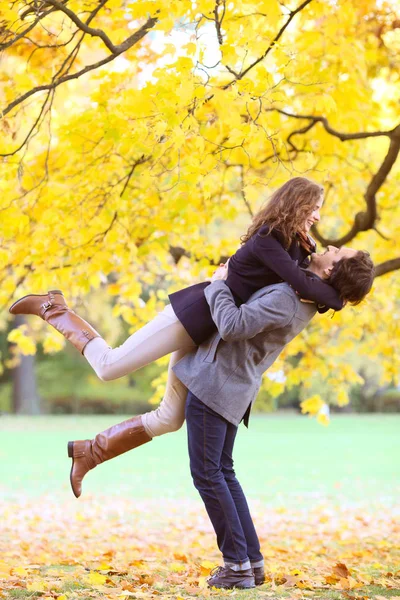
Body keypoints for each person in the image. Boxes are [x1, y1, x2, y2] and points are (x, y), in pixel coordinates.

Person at [10, 177, 344, 497]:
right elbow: (305, 285)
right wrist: (343, 297)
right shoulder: (268, 239)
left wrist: (340, 293)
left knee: (170, 418)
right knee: (109, 366)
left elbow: (317, 287)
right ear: (296, 203)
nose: (317, 216)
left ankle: (89, 453)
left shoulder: (299, 246)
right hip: (195, 314)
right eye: (314, 206)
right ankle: (53, 307)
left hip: (212, 330)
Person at [179, 245, 374, 590]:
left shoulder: (289, 299)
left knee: (209, 475)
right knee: (222, 472)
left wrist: (218, 284)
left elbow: (231, 325)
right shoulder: (303, 297)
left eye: (337, 251)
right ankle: (249, 562)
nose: (329, 245)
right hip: (230, 387)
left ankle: (237, 565)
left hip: (215, 386)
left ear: (330, 271)